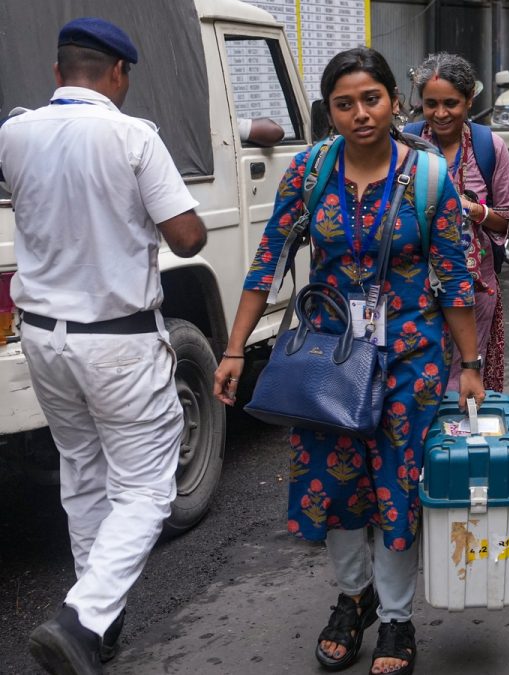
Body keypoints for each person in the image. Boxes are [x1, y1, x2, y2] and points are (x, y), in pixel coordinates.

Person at [213, 47, 482, 675]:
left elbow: (455, 279)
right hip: (329, 359)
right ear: (328, 112)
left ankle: (394, 618)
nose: (360, 113)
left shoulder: (429, 179)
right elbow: (267, 261)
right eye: (344, 103)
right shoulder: (308, 173)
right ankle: (353, 595)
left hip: (410, 362)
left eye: (372, 98)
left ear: (395, 101)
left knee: (395, 487)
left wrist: (468, 362)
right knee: (332, 486)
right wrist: (233, 349)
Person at [0, 17, 207, 674]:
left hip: (42, 339)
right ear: (119, 74)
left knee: (83, 476)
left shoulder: (14, 131)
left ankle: (100, 624)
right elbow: (187, 238)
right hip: (117, 343)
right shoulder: (132, 136)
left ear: (60, 72)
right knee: (147, 489)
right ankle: (84, 619)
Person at [409, 53, 509, 393]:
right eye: (431, 104)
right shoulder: (405, 146)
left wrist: (473, 210)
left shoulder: (489, 147)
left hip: (476, 291)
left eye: (451, 103)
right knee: (418, 389)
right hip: (413, 293)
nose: (441, 114)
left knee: (466, 389)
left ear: (469, 100)